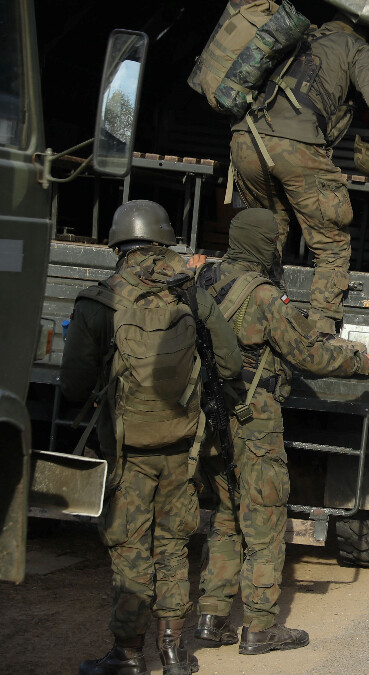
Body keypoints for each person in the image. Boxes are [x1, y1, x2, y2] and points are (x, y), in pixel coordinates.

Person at [190, 209, 369, 655]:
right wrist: (363, 363)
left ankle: (211, 616)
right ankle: (259, 628)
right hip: (254, 421)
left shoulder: (205, 281)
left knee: (224, 516)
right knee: (264, 520)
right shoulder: (262, 296)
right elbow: (308, 354)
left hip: (211, 417)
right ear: (264, 245)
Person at [63, 201, 241, 675]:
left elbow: (73, 385)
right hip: (182, 451)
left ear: (119, 244)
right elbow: (230, 363)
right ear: (164, 241)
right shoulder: (189, 293)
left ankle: (126, 656)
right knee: (173, 548)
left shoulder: (100, 301)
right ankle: (173, 652)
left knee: (129, 550)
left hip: (127, 455)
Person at [230, 12, 369, 335]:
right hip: (295, 146)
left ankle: (247, 316)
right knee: (331, 244)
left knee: (267, 231)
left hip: (246, 140)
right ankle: (320, 333)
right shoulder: (357, 47)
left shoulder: (298, 35)